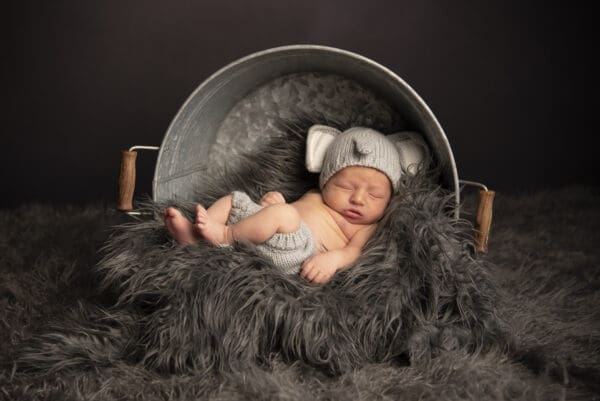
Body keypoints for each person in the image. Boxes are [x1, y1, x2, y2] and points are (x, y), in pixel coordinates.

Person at [164, 125, 424, 284]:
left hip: (299, 254)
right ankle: (196, 236)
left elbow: (353, 252)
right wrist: (272, 203)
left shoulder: (366, 226)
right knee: (234, 200)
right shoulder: (315, 196)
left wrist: (332, 260)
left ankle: (224, 235)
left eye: (375, 195)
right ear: (325, 181)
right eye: (346, 187)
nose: (357, 199)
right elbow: (289, 210)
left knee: (285, 215)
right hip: (267, 231)